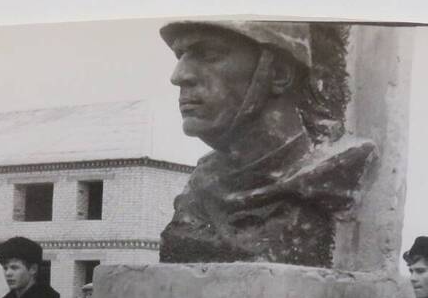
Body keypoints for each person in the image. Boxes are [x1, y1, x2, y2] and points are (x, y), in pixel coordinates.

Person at [158, 21, 374, 266]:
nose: (178, 76)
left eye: (209, 55)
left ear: (279, 73)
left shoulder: (336, 172)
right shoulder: (199, 190)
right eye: (180, 56)